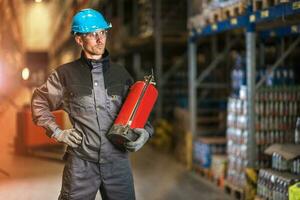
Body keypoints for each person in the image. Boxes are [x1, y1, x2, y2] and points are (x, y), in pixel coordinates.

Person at [31, 8, 153, 200]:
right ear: (79, 40)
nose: (100, 39)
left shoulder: (121, 75)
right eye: (92, 34)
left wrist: (145, 132)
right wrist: (57, 132)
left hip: (117, 164)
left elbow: (138, 111)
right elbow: (39, 101)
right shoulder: (65, 75)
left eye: (103, 32)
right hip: (81, 165)